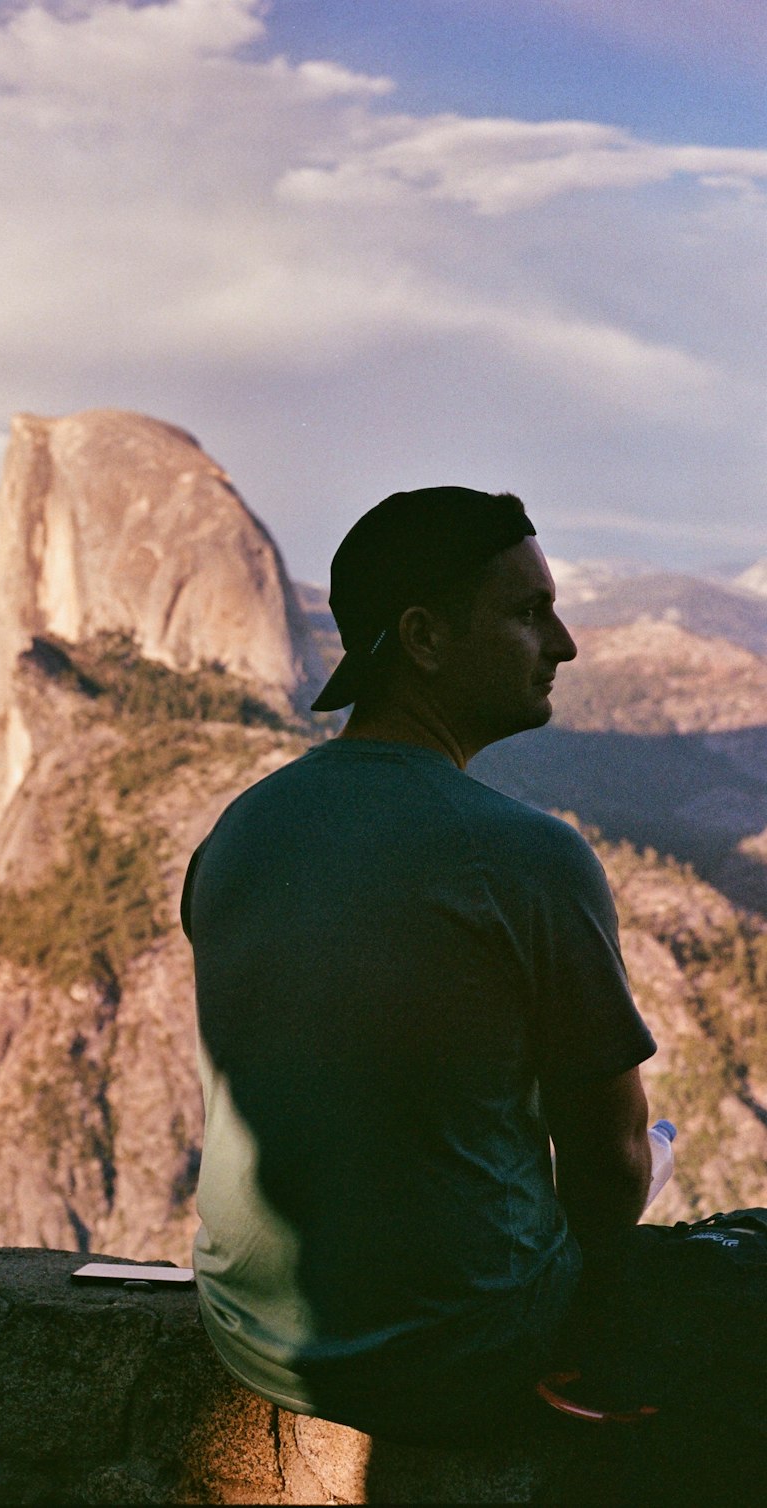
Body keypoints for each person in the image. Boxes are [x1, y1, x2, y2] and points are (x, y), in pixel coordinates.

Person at [180, 487, 766, 1461]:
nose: (566, 643)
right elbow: (611, 1172)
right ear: (423, 636)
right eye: (528, 612)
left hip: (248, 1335)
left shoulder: (236, 831)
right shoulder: (525, 855)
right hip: (460, 1356)